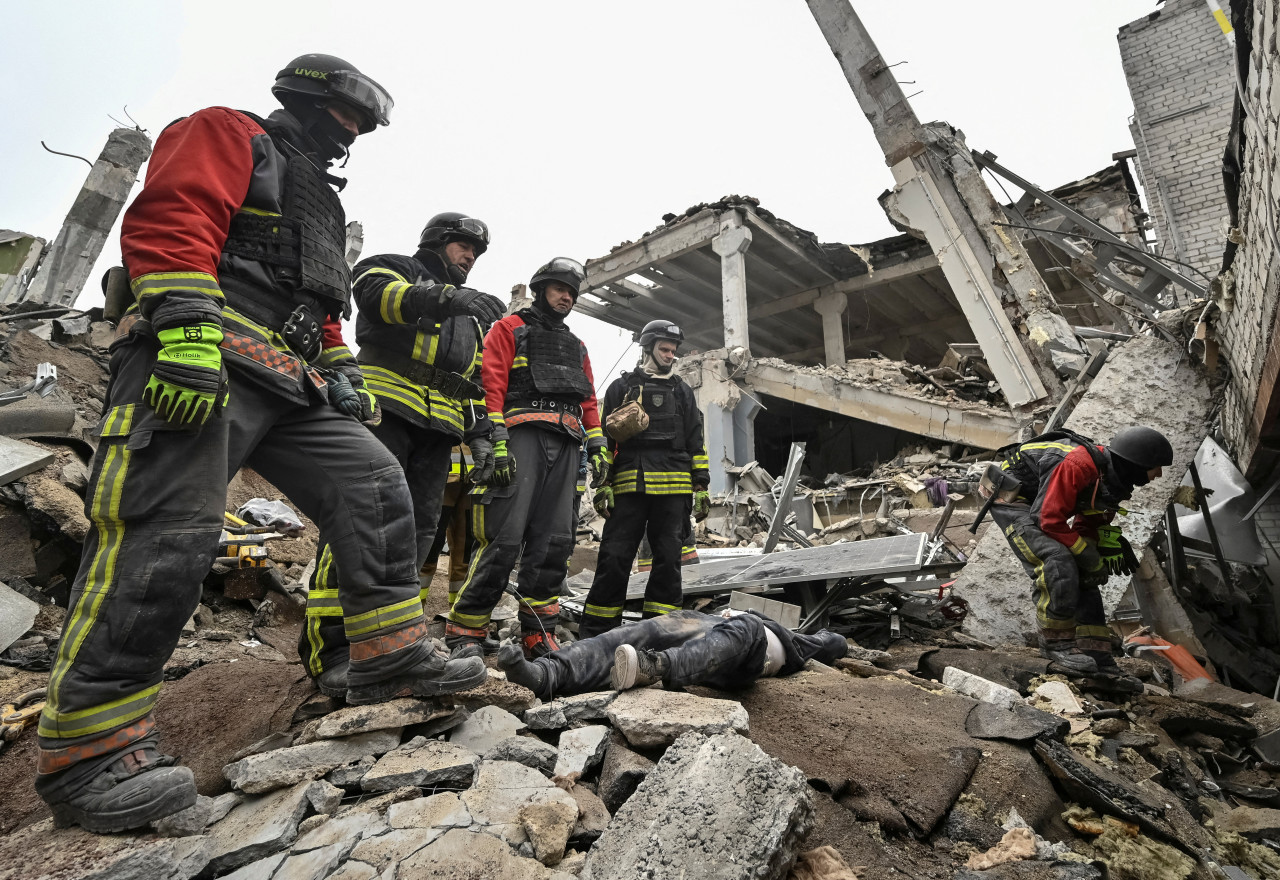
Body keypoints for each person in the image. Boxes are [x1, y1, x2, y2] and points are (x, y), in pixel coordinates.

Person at [34, 54, 485, 833]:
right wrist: (181, 331)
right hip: (202, 354)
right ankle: (88, 749)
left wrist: (340, 368)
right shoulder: (227, 132)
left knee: (375, 484)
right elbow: (174, 220)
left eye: (358, 128)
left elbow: (321, 299)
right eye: (340, 117)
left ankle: (384, 655)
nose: (347, 134)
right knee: (165, 537)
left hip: (289, 376)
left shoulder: (322, 204)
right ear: (301, 100)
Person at [299, 213, 503, 695]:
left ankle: (393, 644)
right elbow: (375, 298)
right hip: (383, 414)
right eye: (462, 245)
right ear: (436, 241)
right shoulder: (391, 266)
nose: (470, 257)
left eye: (476, 251)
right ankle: (330, 649)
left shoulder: (470, 319)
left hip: (437, 434)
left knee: (416, 535)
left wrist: (482, 437)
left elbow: (468, 383)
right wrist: (449, 297)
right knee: (359, 522)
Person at [447, 258, 607, 659]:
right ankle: (467, 629)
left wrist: (598, 442)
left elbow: (588, 398)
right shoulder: (509, 328)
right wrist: (495, 435)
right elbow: (492, 381)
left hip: (568, 442)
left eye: (572, 292)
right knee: (503, 536)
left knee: (556, 541)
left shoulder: (577, 345)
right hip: (521, 437)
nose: (567, 297)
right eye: (559, 289)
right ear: (540, 289)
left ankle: (539, 633)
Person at [986, 425, 1172, 674]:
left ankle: (1095, 651)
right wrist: (1085, 554)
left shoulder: (1112, 481)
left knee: (1085, 571)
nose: (1158, 474)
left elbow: (1091, 522)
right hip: (1012, 500)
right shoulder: (1078, 464)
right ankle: (1055, 643)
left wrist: (1091, 557)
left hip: (1041, 505)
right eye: (1156, 466)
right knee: (1057, 559)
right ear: (1135, 463)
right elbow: (1048, 518)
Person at [578, 320, 710, 638]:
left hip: (675, 489)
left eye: (673, 351)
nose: (669, 355)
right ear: (648, 348)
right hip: (629, 486)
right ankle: (597, 634)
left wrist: (702, 486)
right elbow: (606, 442)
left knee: (668, 563)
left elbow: (696, 441)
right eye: (664, 349)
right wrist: (603, 485)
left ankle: (660, 634)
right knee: (614, 558)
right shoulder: (620, 389)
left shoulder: (682, 392)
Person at [497, 609, 848, 699]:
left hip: (748, 652)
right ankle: (545, 675)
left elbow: (836, 643)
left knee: (748, 627)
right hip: (702, 624)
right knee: (637, 633)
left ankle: (655, 667)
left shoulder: (799, 641)